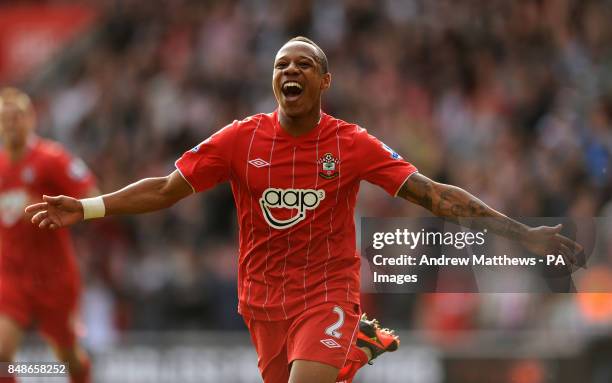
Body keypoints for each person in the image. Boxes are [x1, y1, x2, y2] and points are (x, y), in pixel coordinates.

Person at [25, 37, 583, 383]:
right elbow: (167, 189)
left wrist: (521, 232)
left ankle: (344, 341)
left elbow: (435, 195)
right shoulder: (240, 140)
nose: (290, 71)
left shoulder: (351, 144)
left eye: (304, 64)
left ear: (324, 80)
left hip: (327, 294)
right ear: (273, 80)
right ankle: (353, 352)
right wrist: (89, 207)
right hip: (263, 302)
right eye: (281, 64)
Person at [0, 88, 96, 383]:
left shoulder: (52, 159)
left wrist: (58, 208)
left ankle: (81, 374)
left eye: (17, 118)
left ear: (31, 119)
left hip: (54, 276)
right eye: (4, 119)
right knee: (1, 355)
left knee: (67, 359)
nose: (11, 125)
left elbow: (92, 195)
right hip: (11, 275)